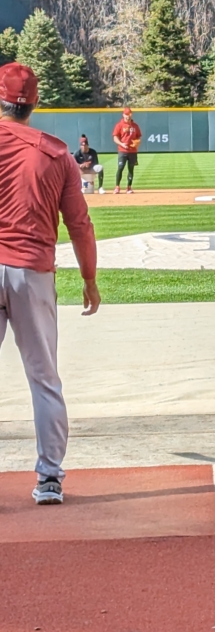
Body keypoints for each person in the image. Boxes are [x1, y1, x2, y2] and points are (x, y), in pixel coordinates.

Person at [0, 63, 100, 505]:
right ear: (34, 103)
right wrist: (89, 278)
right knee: (43, 377)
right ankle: (49, 479)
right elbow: (79, 224)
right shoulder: (56, 153)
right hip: (31, 270)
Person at [112, 107, 141, 194]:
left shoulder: (135, 126)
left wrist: (137, 142)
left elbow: (138, 136)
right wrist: (121, 144)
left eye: (129, 114)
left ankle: (129, 187)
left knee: (131, 169)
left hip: (132, 151)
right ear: (123, 114)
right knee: (120, 168)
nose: (128, 116)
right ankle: (117, 187)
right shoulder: (119, 125)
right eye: (126, 114)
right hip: (122, 150)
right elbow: (115, 137)